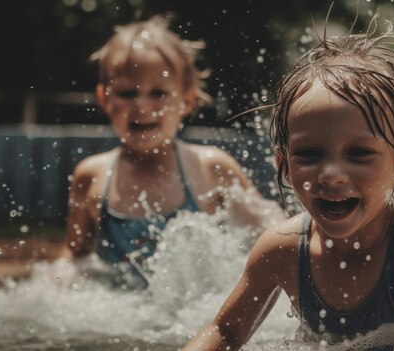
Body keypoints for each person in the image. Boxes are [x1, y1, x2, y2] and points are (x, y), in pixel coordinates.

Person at [182, 19, 394, 350]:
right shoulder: (280, 250)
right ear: (284, 166)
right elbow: (225, 332)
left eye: (358, 153)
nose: (331, 174)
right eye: (309, 154)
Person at [60, 15, 278, 289]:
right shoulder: (92, 175)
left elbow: (272, 237)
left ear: (186, 100)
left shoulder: (210, 167)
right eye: (127, 93)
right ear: (105, 98)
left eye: (158, 93)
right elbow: (74, 255)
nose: (141, 105)